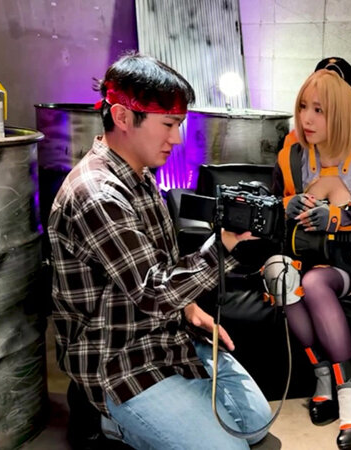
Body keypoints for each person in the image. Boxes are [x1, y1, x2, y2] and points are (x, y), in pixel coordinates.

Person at [47, 52, 271, 450]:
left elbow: (158, 265)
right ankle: (106, 417)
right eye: (168, 124)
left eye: (179, 124)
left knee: (254, 426)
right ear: (122, 117)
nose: (177, 138)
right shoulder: (97, 195)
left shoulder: (142, 176)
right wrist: (222, 246)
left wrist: (189, 307)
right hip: (119, 361)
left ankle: (170, 414)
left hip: (167, 338)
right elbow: (153, 292)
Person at [266, 57, 351, 450]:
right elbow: (271, 207)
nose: (306, 118)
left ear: (345, 113)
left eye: (319, 110)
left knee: (315, 282)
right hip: (301, 254)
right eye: (304, 106)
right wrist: (284, 206)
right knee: (278, 273)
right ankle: (322, 377)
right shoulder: (292, 154)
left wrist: (337, 219)